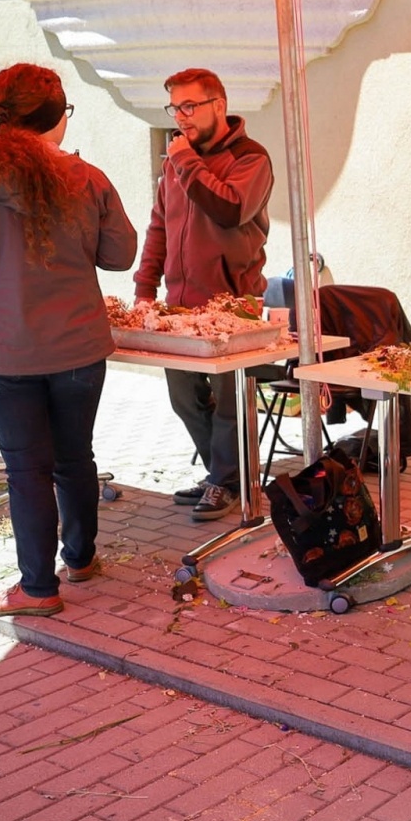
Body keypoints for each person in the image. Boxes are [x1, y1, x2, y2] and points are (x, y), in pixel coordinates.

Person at [0, 63, 138, 618]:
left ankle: (39, 589)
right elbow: (120, 255)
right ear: (57, 117)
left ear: (3, 119)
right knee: (75, 457)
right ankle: (80, 559)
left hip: (2, 351)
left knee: (26, 470)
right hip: (79, 347)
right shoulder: (87, 178)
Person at [133, 68, 274, 521]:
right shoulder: (177, 163)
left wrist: (185, 161)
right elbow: (159, 227)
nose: (181, 117)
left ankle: (227, 482)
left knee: (231, 400)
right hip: (179, 305)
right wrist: (144, 288)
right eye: (175, 108)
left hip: (235, 304)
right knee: (183, 396)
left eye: (190, 106)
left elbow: (230, 209)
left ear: (219, 104)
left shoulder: (251, 158)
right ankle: (225, 474)